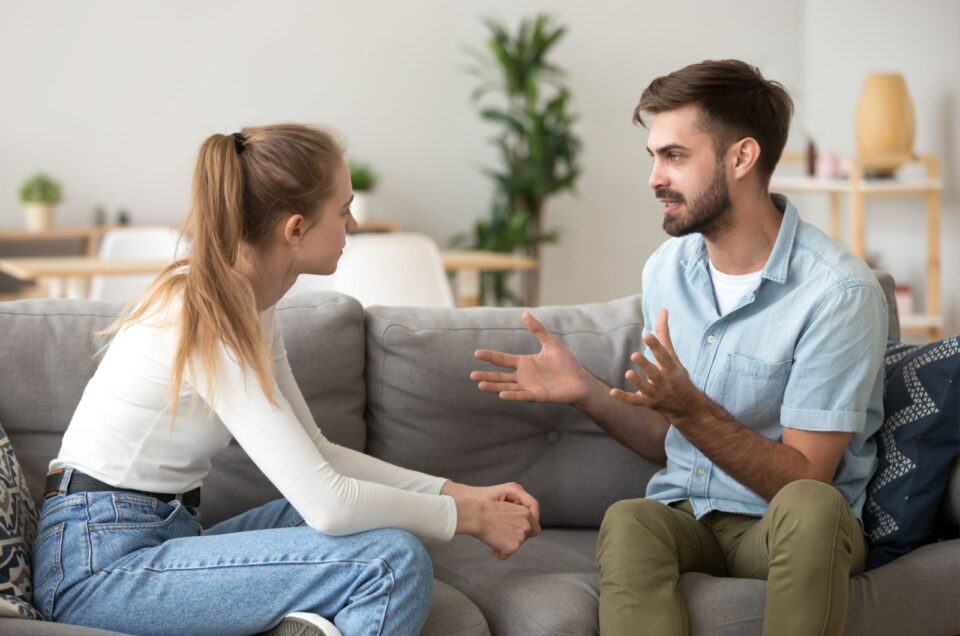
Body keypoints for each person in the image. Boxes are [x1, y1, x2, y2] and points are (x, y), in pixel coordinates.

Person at [33, 124, 541, 636]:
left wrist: (462, 493)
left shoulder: (252, 304)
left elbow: (318, 454)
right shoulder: (210, 313)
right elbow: (330, 504)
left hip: (160, 534)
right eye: (342, 211)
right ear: (295, 229)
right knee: (390, 561)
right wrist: (466, 518)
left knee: (370, 524)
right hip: (96, 566)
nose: (354, 224)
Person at [470, 60, 887, 636]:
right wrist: (586, 391)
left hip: (783, 527)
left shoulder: (837, 293)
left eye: (675, 156)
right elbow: (672, 438)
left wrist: (687, 405)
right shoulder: (668, 269)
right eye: (654, 157)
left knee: (814, 509)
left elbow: (803, 481)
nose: (654, 178)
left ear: (741, 158)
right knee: (632, 519)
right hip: (688, 515)